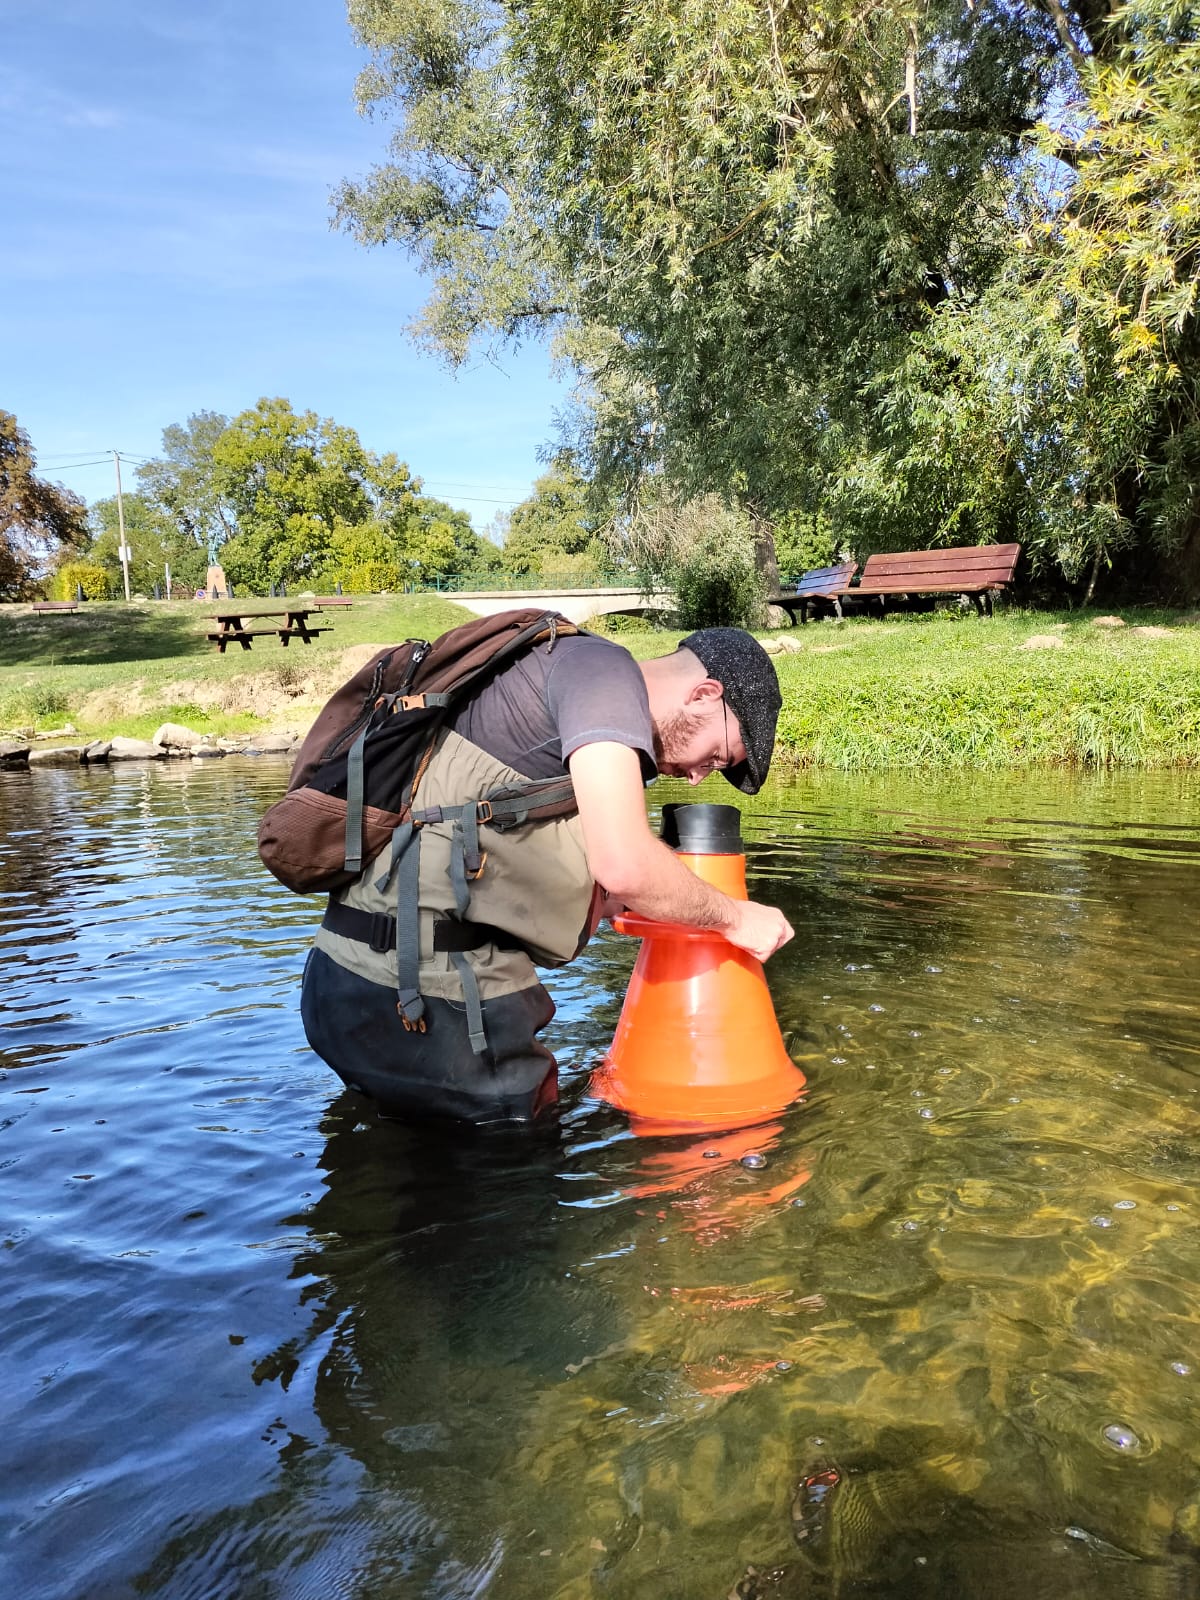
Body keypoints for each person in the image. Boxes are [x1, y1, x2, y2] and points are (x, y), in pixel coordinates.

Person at [300, 620, 794, 1128]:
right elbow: (625, 866)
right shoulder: (605, 676)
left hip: (346, 985)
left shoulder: (562, 684)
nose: (695, 776)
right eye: (716, 755)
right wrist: (735, 917)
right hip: (428, 1011)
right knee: (519, 1187)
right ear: (705, 694)